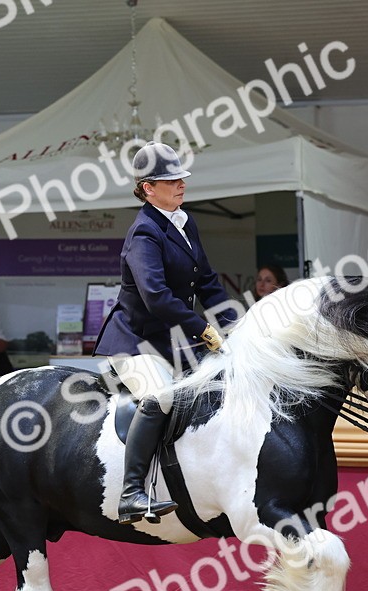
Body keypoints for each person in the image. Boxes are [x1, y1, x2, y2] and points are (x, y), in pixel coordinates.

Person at [95, 142, 238, 525]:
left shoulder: (184, 221)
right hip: (135, 343)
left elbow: (207, 281)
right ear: (147, 188)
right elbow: (156, 298)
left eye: (180, 178)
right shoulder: (143, 233)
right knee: (160, 396)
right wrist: (205, 329)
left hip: (175, 341)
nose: (180, 184)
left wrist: (235, 326)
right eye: (169, 180)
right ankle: (132, 492)